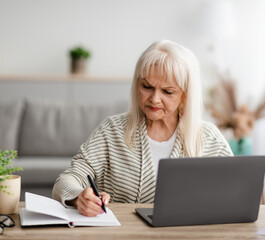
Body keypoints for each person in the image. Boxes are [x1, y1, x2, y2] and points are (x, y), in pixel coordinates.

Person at [52, 39, 233, 217]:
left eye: (167, 92)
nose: (154, 99)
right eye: (147, 86)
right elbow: (67, 180)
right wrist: (78, 197)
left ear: (185, 95)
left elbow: (235, 191)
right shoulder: (112, 130)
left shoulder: (209, 137)